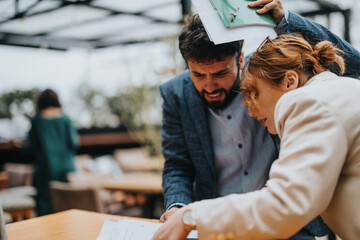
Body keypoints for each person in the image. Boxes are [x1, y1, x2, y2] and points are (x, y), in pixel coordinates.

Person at [159, 0, 360, 238]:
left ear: (240, 59)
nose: (209, 85)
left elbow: (352, 65)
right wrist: (179, 208)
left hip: (288, 223)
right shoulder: (175, 94)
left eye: (221, 73)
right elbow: (177, 165)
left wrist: (286, 21)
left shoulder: (268, 73)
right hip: (222, 227)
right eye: (198, 75)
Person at [23, 89, 79, 216]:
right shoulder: (65, 119)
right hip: (67, 170)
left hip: (46, 172)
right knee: (70, 208)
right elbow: (74, 143)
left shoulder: (36, 121)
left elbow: (31, 148)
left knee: (46, 212)